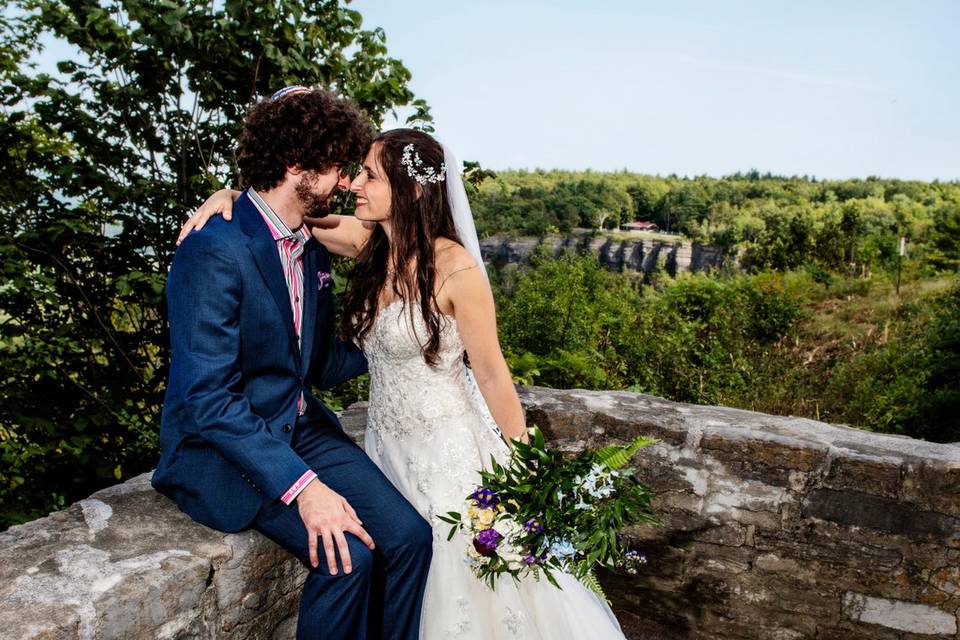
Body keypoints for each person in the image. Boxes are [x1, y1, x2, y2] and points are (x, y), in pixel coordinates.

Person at [184, 128, 626, 639]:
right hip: (386, 445)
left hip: (448, 445)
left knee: (464, 571)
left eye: (371, 174)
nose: (355, 184)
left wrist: (527, 471)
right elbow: (282, 214)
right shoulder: (368, 241)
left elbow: (492, 375)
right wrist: (231, 197)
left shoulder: (457, 269)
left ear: (412, 189)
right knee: (405, 554)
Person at [154, 88, 432, 640]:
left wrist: (404, 342)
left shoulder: (307, 243)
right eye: (334, 166)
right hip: (222, 447)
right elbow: (207, 399)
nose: (346, 181)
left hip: (300, 426)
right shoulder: (215, 247)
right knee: (348, 556)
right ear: (295, 166)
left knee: (410, 539)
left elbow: (320, 362)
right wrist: (304, 488)